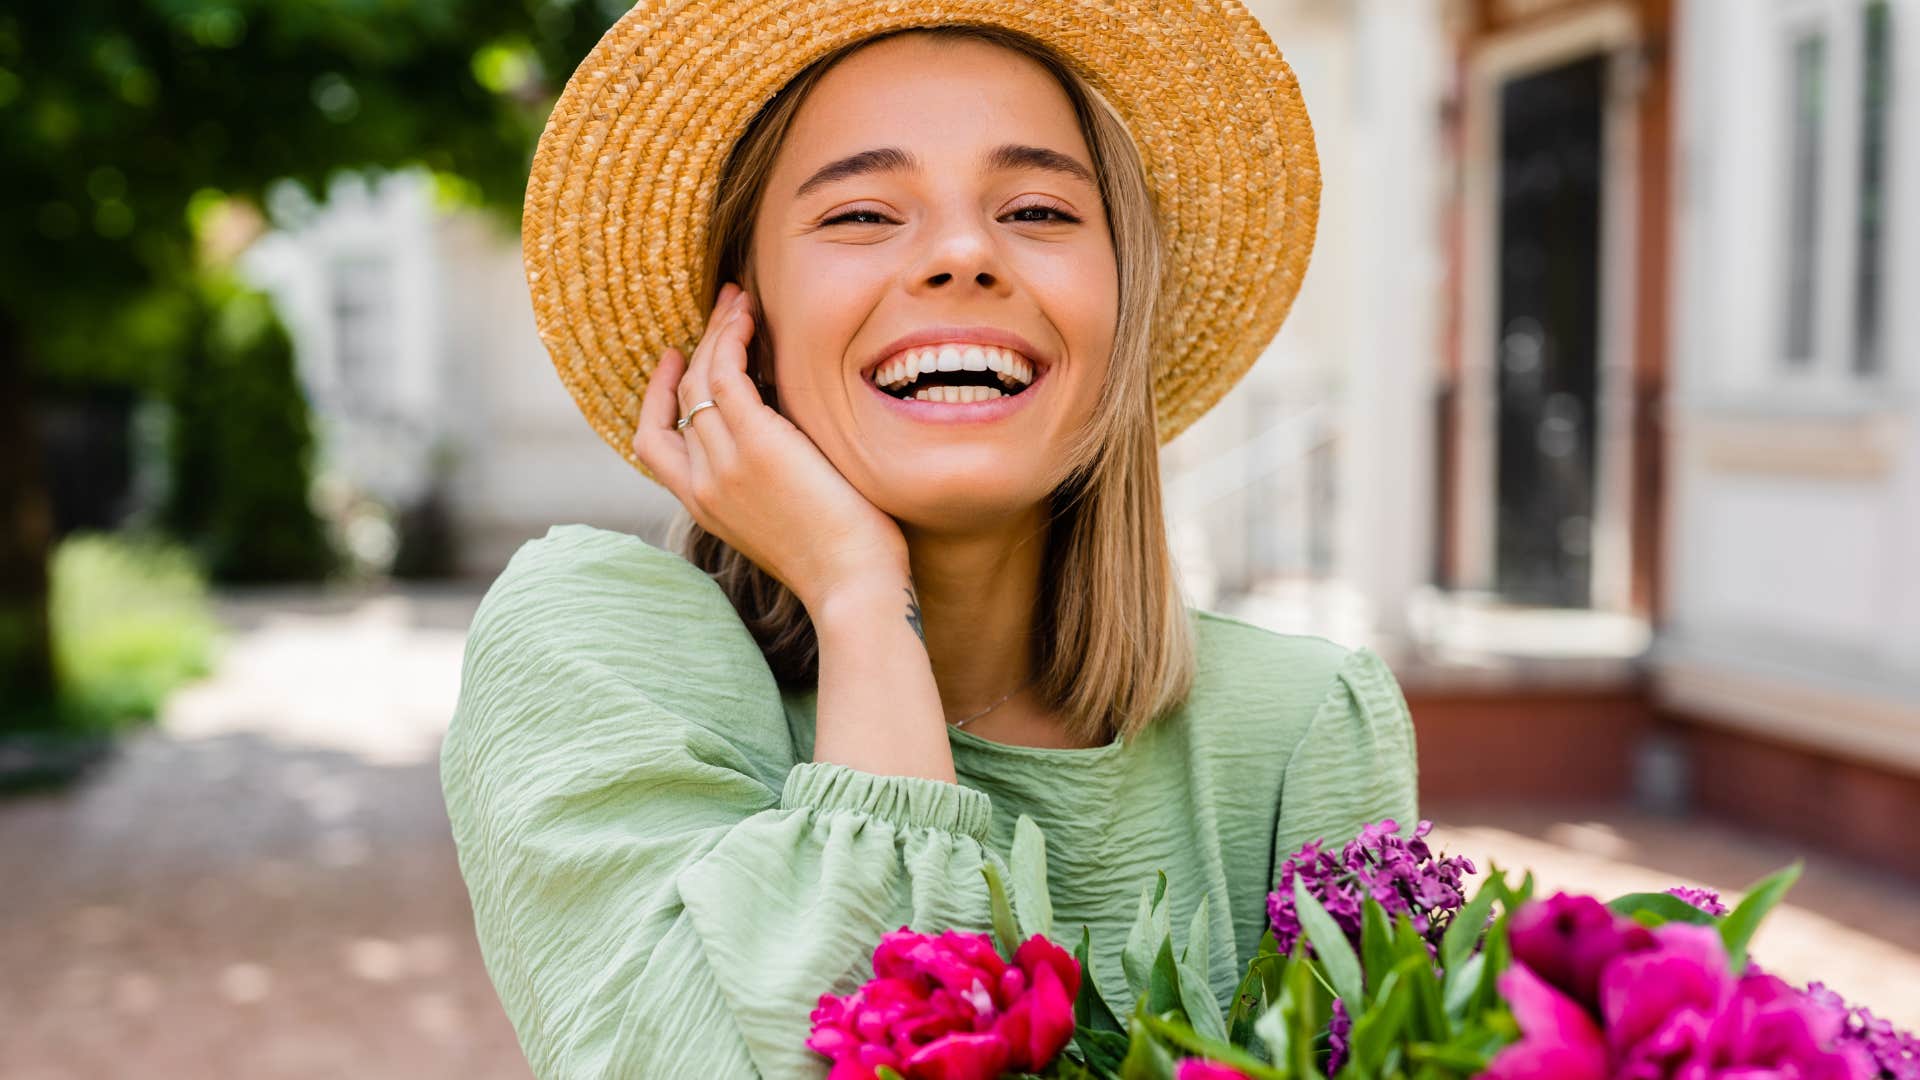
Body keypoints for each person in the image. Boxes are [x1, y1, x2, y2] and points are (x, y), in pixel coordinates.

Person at [442, 2, 1420, 1076]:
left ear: (1122, 302)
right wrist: (860, 599)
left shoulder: (1302, 731)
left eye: (1041, 210)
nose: (963, 254)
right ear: (742, 322)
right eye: (861, 214)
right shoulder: (595, 657)